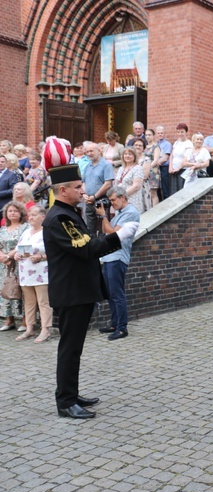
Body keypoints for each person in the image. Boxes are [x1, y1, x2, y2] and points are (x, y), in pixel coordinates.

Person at [42, 137, 135, 419]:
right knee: (69, 349)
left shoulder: (68, 212)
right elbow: (85, 248)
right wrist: (116, 237)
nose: (84, 190)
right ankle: (66, 401)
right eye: (79, 187)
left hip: (78, 290)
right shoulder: (59, 218)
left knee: (75, 348)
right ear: (63, 190)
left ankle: (72, 393)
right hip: (71, 292)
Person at [96, 187, 140, 341]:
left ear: (123, 197)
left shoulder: (130, 212)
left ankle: (122, 328)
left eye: (114, 200)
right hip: (109, 257)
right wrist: (103, 216)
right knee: (110, 294)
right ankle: (114, 324)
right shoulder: (119, 214)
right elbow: (105, 231)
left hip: (118, 257)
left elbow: (113, 235)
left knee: (117, 294)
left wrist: (104, 217)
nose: (112, 203)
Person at [13, 205, 52, 343]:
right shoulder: (26, 232)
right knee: (29, 302)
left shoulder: (47, 232)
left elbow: (55, 252)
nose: (31, 217)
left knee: (43, 302)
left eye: (34, 215)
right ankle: (29, 328)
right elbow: (18, 249)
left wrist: (41, 257)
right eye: (30, 215)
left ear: (43, 217)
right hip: (25, 273)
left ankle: (45, 329)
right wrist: (17, 255)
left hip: (42, 272)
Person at [0, 201, 29, 331]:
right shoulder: (3, 229)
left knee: (21, 292)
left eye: (15, 211)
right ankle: (9, 319)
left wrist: (9, 256)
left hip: (19, 264)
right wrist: (2, 257)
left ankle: (25, 321)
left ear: (21, 213)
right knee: (5, 290)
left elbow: (25, 246)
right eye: (10, 211)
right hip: (4, 266)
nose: (12, 213)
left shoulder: (26, 228)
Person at [81, 141, 115, 233]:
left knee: (102, 229)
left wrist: (95, 197)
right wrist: (84, 194)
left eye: (91, 151)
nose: (89, 154)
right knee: (89, 229)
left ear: (99, 151)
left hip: (101, 200)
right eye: (87, 152)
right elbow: (84, 182)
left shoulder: (106, 165)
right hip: (88, 201)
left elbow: (107, 184)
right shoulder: (88, 166)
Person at [113, 147, 146, 213]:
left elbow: (136, 186)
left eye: (130, 154)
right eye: (125, 154)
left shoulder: (138, 168)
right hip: (120, 201)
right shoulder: (121, 168)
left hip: (132, 200)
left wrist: (122, 195)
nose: (127, 156)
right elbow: (116, 184)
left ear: (134, 156)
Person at [169, 123, 192, 194]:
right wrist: (170, 168)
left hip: (183, 170)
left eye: (182, 132)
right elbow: (172, 155)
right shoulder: (176, 142)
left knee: (181, 192)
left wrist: (178, 169)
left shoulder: (189, 143)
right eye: (178, 132)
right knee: (173, 192)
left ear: (186, 132)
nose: (180, 134)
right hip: (173, 170)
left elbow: (186, 158)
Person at [143, 130, 162, 206]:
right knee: (146, 192)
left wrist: (148, 168)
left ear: (153, 136)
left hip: (152, 171)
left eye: (149, 135)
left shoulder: (156, 147)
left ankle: (155, 212)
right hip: (144, 171)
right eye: (146, 135)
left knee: (153, 193)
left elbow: (156, 160)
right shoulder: (145, 147)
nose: (148, 136)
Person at [155, 126, 172, 200]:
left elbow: (165, 158)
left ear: (164, 134)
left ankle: (166, 202)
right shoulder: (155, 144)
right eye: (158, 133)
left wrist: (156, 162)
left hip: (164, 168)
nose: (160, 134)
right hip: (156, 168)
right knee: (156, 187)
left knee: (165, 187)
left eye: (161, 133)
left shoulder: (167, 144)